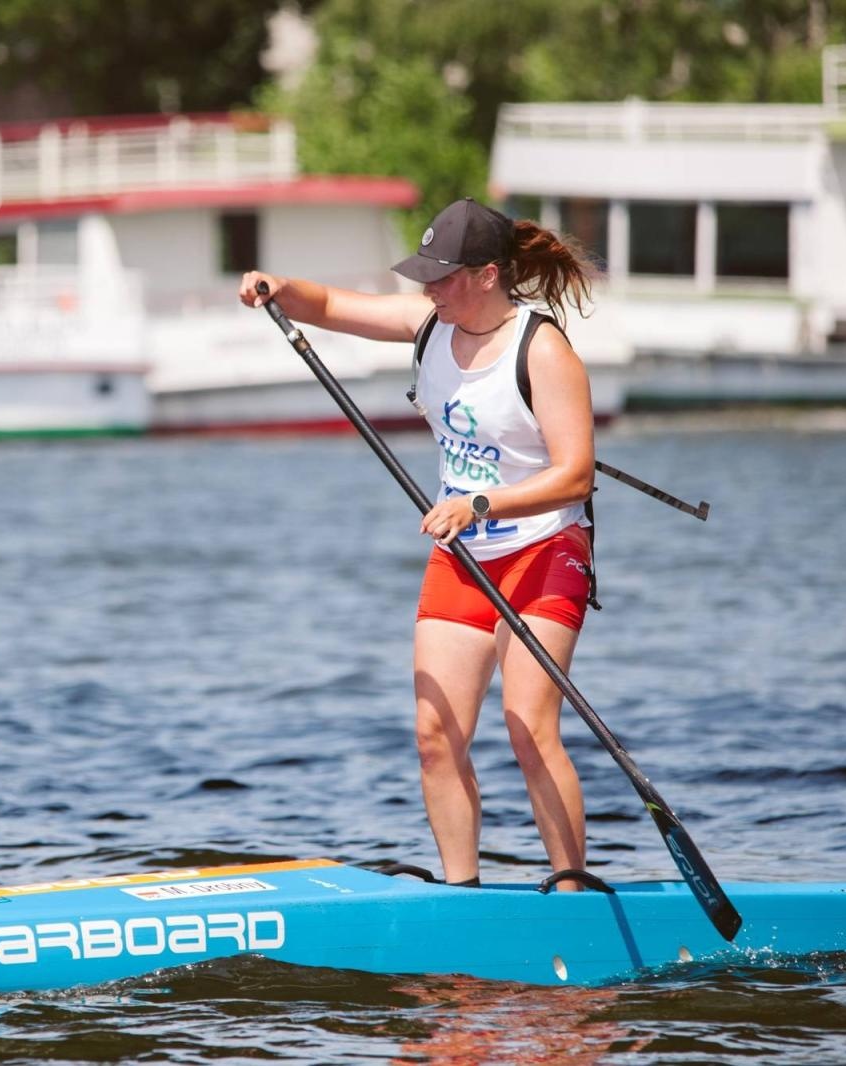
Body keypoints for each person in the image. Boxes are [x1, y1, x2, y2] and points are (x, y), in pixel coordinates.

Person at [238, 198, 598, 889]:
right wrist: (278, 288)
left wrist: (480, 502)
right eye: (424, 276)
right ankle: (463, 894)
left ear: (488, 274)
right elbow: (334, 306)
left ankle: (572, 889)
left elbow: (575, 476)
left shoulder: (542, 351)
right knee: (436, 736)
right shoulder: (430, 327)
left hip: (544, 550)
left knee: (527, 726)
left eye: (442, 276)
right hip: (463, 555)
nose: (428, 290)